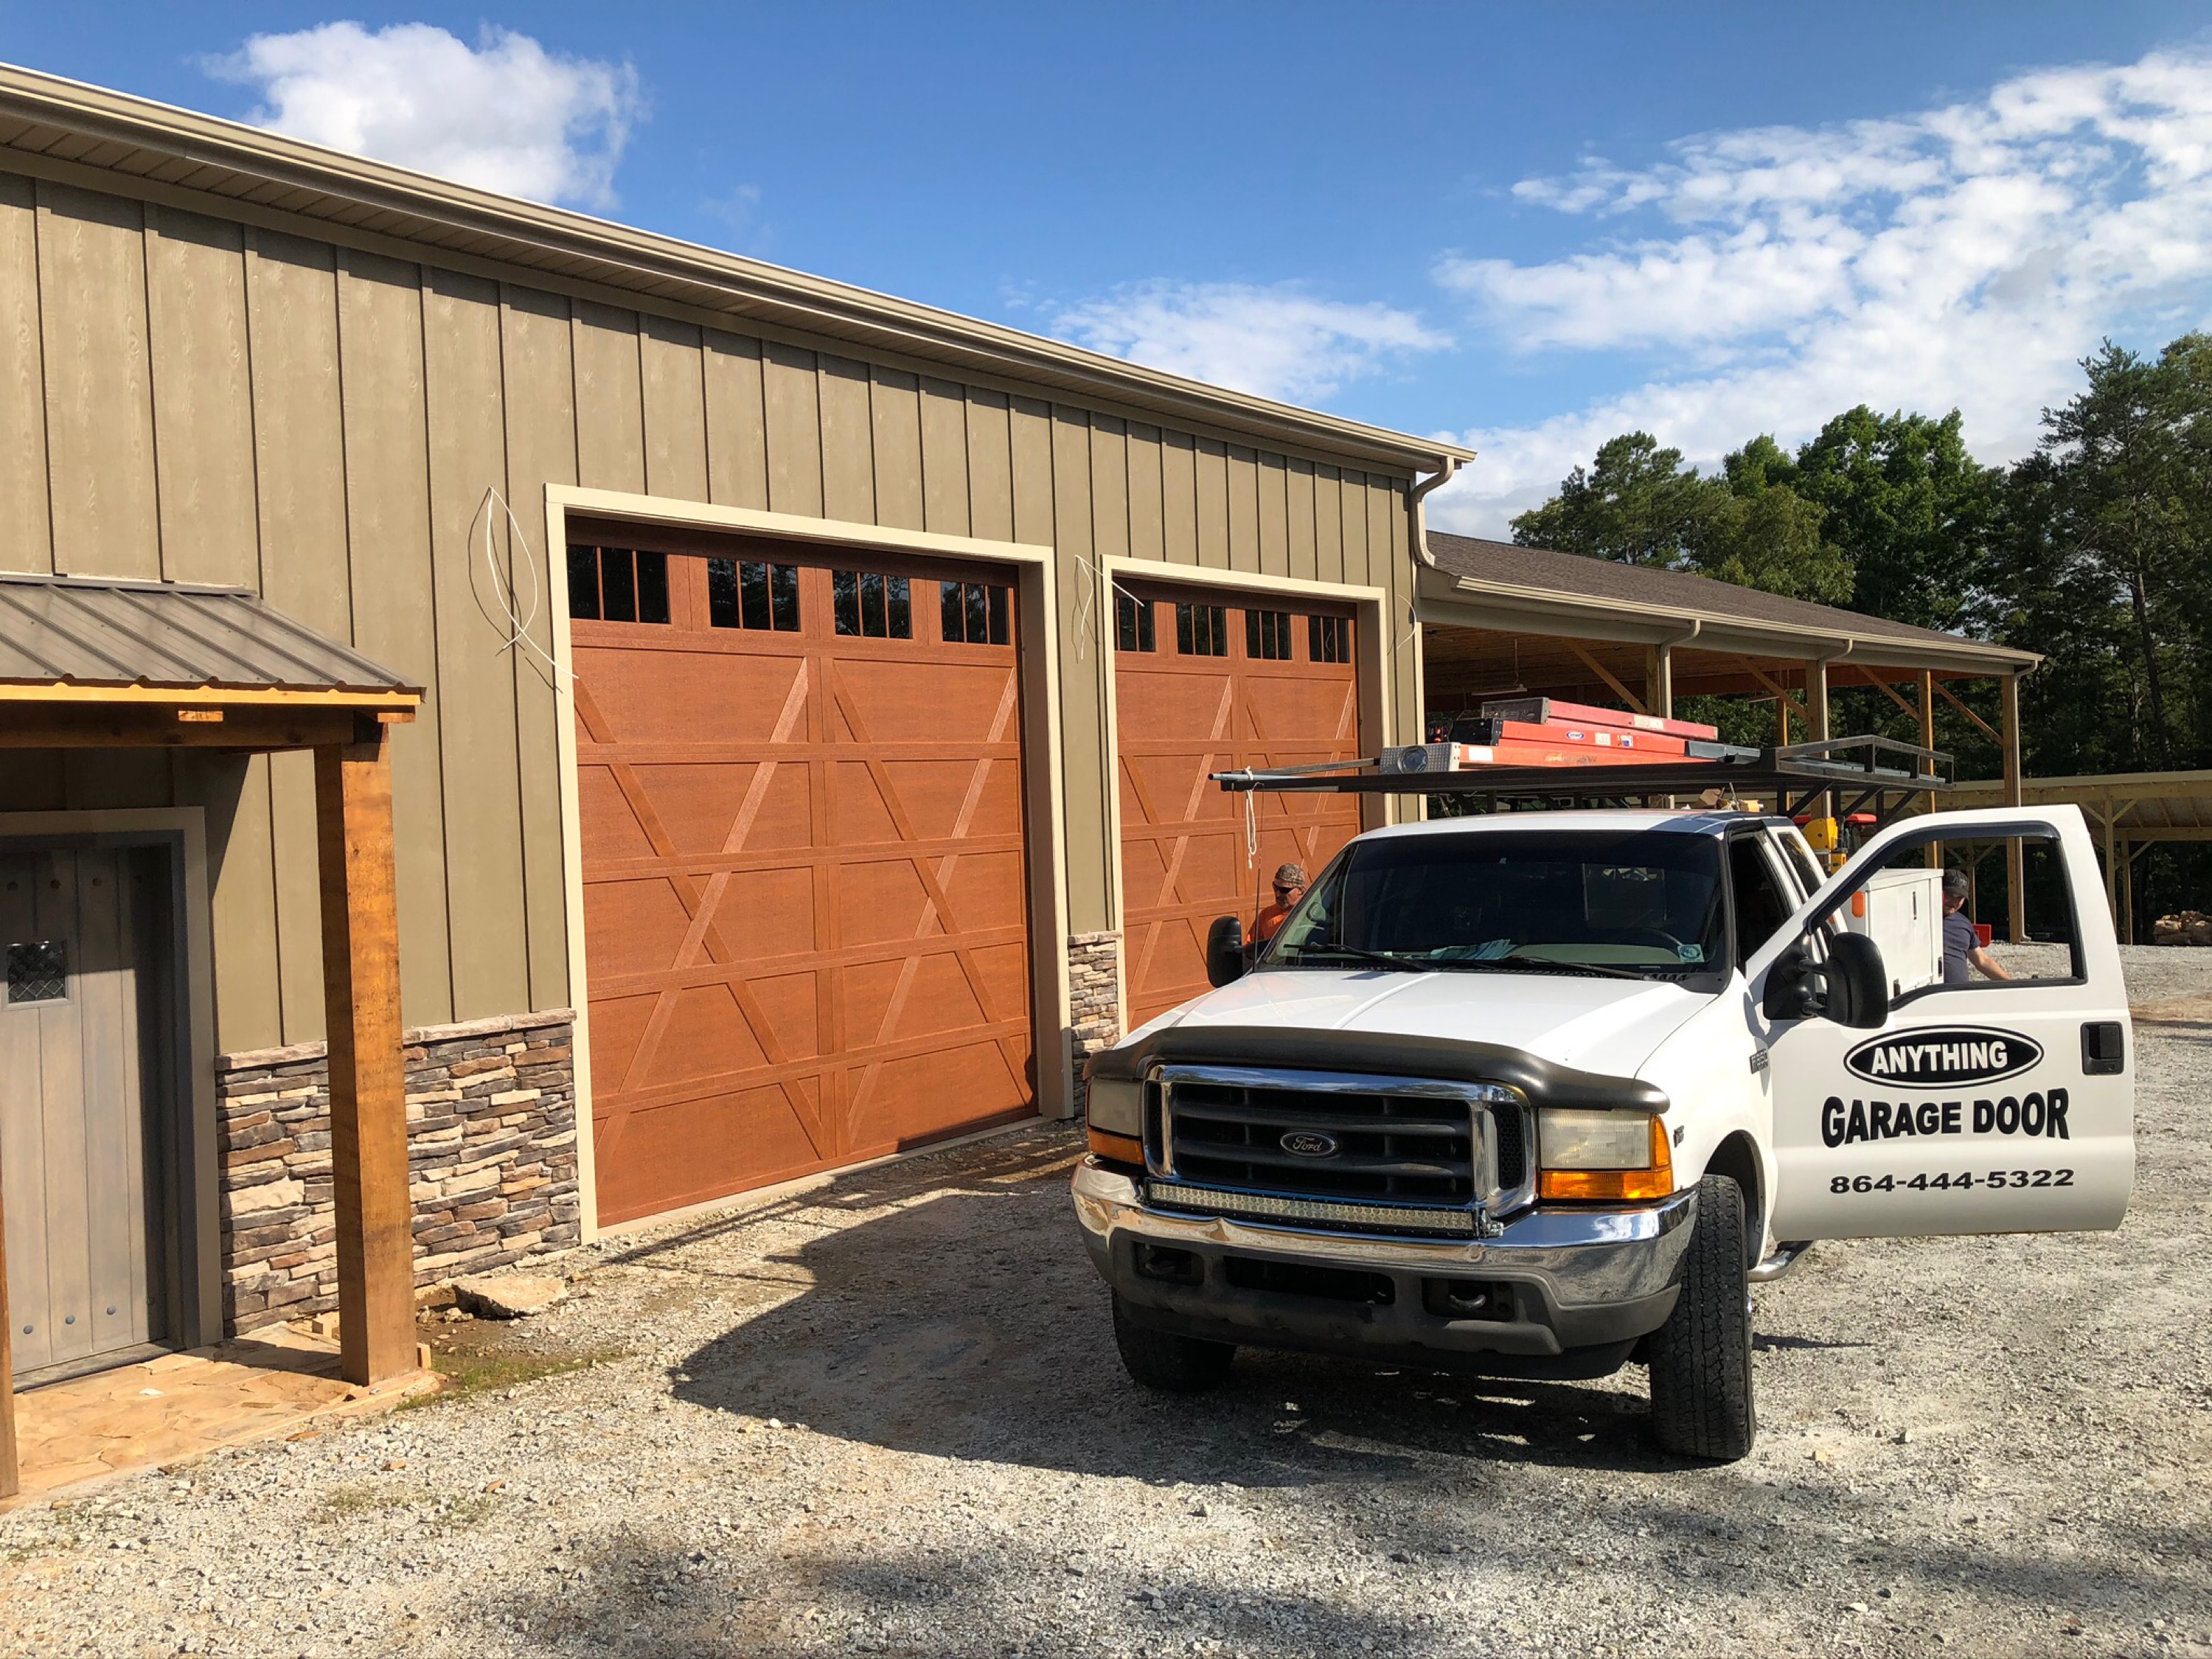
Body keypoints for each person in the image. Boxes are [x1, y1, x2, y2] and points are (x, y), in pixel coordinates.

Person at [1941, 867, 2013, 985]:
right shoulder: (1919, 921)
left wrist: (2012, 985)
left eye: (1959, 897)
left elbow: (1982, 961)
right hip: (1930, 999)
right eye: (1949, 894)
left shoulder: (1963, 924)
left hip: (1961, 997)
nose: (1954, 901)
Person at [1253, 861, 1308, 945]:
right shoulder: (1266, 915)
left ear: (1300, 890)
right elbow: (1250, 947)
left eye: (1284, 890)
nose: (1278, 894)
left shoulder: (1311, 914)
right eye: (1275, 887)